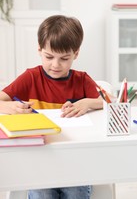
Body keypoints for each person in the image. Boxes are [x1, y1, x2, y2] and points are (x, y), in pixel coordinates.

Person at [0, 15, 104, 199]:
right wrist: (7, 107)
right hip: (40, 160)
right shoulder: (31, 77)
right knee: (42, 192)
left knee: (76, 191)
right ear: (39, 50)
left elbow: (111, 103)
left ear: (76, 54)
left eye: (64, 58)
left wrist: (88, 102)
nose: (55, 65)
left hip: (75, 160)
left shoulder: (81, 80)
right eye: (49, 57)